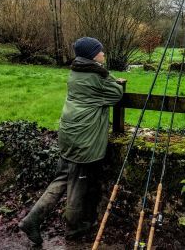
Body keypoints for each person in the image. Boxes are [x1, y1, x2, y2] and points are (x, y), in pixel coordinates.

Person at [19, 37, 124, 245]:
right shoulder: (95, 77)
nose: (104, 54)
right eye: (100, 51)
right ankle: (74, 228)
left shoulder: (76, 71)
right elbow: (117, 94)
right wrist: (107, 74)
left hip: (69, 134)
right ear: (93, 56)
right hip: (83, 140)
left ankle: (33, 218)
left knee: (63, 178)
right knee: (78, 184)